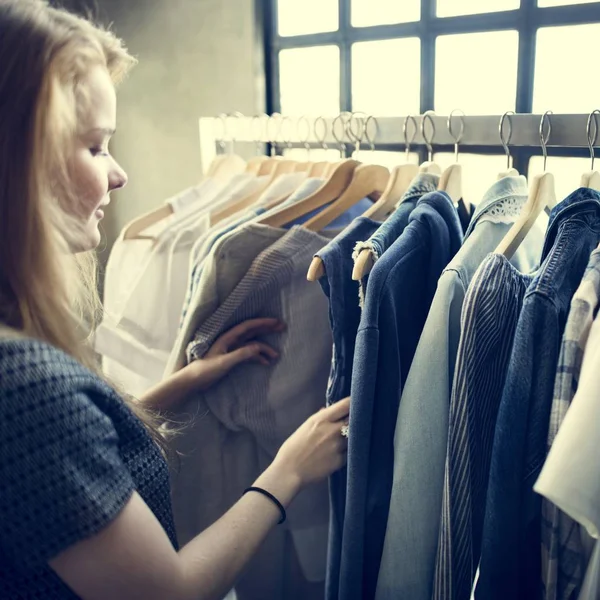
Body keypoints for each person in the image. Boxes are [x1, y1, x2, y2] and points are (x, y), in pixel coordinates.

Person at [0, 2, 350, 599]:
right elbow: (171, 593)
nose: (118, 175)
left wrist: (183, 382)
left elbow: (67, 455)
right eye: (94, 146)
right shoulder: (26, 386)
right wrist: (287, 471)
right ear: (18, 159)